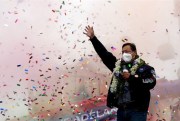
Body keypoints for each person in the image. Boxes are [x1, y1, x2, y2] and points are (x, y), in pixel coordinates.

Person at [83, 25, 156, 121]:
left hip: (137, 110)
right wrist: (93, 39)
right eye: (123, 52)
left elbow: (151, 83)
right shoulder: (118, 66)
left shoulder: (145, 68)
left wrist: (131, 78)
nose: (124, 54)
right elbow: (105, 55)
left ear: (134, 52)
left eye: (127, 51)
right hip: (122, 110)